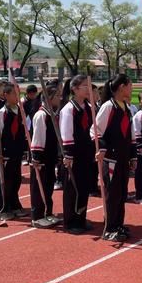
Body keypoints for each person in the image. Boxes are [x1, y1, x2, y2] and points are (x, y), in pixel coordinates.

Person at [93, 74, 136, 242]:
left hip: (123, 158)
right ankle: (109, 227)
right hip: (111, 160)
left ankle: (118, 223)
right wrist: (102, 148)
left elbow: (130, 135)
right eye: (130, 85)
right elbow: (95, 130)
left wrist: (133, 156)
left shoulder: (126, 107)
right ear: (121, 87)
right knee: (112, 194)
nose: (131, 88)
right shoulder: (108, 107)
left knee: (121, 193)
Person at [59, 75, 95, 235]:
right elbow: (66, 133)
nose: (88, 89)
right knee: (72, 189)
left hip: (87, 153)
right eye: (84, 86)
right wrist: (68, 155)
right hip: (74, 155)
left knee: (84, 187)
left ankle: (80, 217)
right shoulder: (69, 109)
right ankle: (70, 221)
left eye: (89, 86)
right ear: (74, 89)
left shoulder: (88, 107)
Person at [0, 82, 28, 220]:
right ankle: (0, 209)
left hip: (16, 153)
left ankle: (14, 205)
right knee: (5, 182)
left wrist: (24, 149)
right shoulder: (2, 114)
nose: (18, 96)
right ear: (6, 95)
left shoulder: (20, 111)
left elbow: (23, 133)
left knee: (16, 180)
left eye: (19, 93)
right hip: (5, 154)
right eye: (15, 93)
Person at [30, 81, 62, 228]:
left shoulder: (53, 114)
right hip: (41, 158)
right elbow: (38, 137)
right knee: (39, 187)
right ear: (49, 97)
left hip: (50, 156)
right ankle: (37, 216)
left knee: (48, 186)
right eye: (57, 96)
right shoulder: (41, 115)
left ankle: (47, 213)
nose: (60, 98)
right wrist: (36, 157)